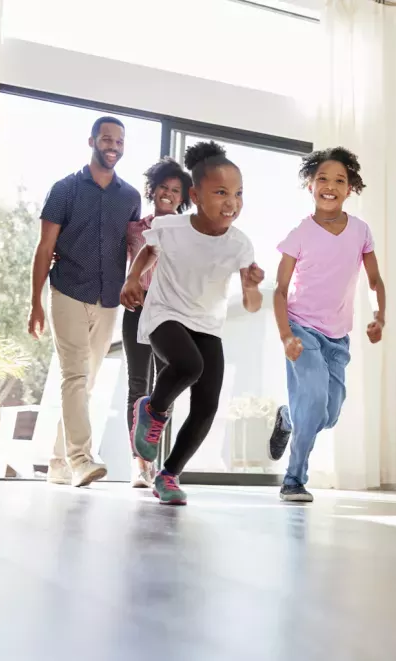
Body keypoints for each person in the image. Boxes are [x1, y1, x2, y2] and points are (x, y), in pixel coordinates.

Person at [123, 141, 265, 506]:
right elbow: (149, 250)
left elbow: (252, 306)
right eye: (220, 192)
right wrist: (132, 278)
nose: (231, 202)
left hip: (206, 324)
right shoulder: (170, 226)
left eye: (238, 194)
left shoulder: (240, 245)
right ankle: (153, 410)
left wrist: (250, 287)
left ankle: (168, 475)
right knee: (189, 365)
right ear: (196, 195)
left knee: (206, 406)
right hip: (164, 313)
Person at [29, 116, 142, 488]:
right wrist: (36, 302)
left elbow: (134, 247)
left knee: (84, 383)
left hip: (108, 298)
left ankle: (59, 462)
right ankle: (81, 458)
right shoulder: (64, 189)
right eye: (107, 139)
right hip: (67, 290)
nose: (113, 146)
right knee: (74, 375)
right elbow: (45, 248)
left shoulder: (130, 197)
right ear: (92, 141)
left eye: (119, 141)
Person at [269, 147, 386, 502]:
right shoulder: (299, 234)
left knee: (329, 414)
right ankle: (293, 479)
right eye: (323, 179)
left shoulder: (361, 231)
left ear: (350, 188)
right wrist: (286, 335)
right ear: (310, 185)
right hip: (301, 330)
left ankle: (288, 417)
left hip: (338, 337)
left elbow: (375, 279)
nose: (330, 186)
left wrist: (379, 315)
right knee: (315, 400)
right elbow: (280, 290)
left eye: (340, 180)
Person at [123, 158, 193, 489]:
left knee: (166, 389)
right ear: (153, 189)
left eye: (175, 190)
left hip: (170, 315)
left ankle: (165, 466)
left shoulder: (188, 231)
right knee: (138, 386)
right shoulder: (135, 228)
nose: (167, 194)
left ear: (183, 197)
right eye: (163, 187)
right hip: (137, 310)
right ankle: (140, 466)